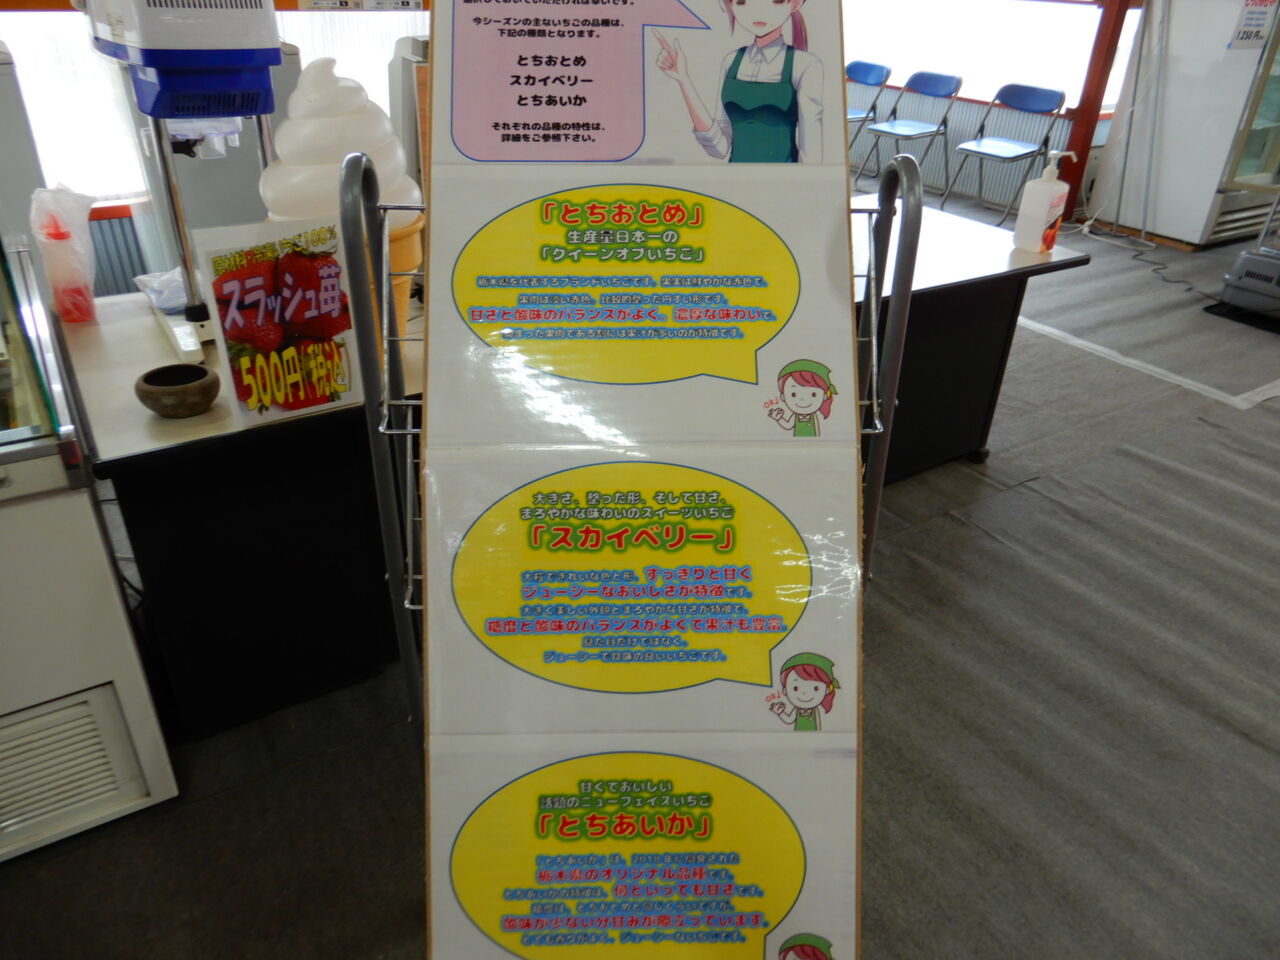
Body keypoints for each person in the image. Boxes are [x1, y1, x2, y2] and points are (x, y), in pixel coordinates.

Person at [655, 0, 823, 163]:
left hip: (783, 178)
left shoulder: (805, 65)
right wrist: (683, 79)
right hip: (735, 178)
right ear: (729, 4)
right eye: (742, 1)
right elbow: (719, 148)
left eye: (776, 1)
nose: (758, 12)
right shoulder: (731, 61)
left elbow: (811, 149)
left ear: (795, 3)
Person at [769, 653, 838, 732]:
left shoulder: (815, 711)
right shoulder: (797, 710)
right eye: (795, 688)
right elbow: (789, 720)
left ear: (826, 690)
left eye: (815, 688)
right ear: (785, 690)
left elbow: (818, 725)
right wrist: (780, 713)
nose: (804, 694)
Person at [768, 359, 835, 437]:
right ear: (783, 397)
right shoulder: (795, 416)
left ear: (824, 396)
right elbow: (788, 426)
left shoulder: (814, 416)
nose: (803, 400)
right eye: (793, 394)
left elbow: (817, 430)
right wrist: (779, 418)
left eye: (813, 394)